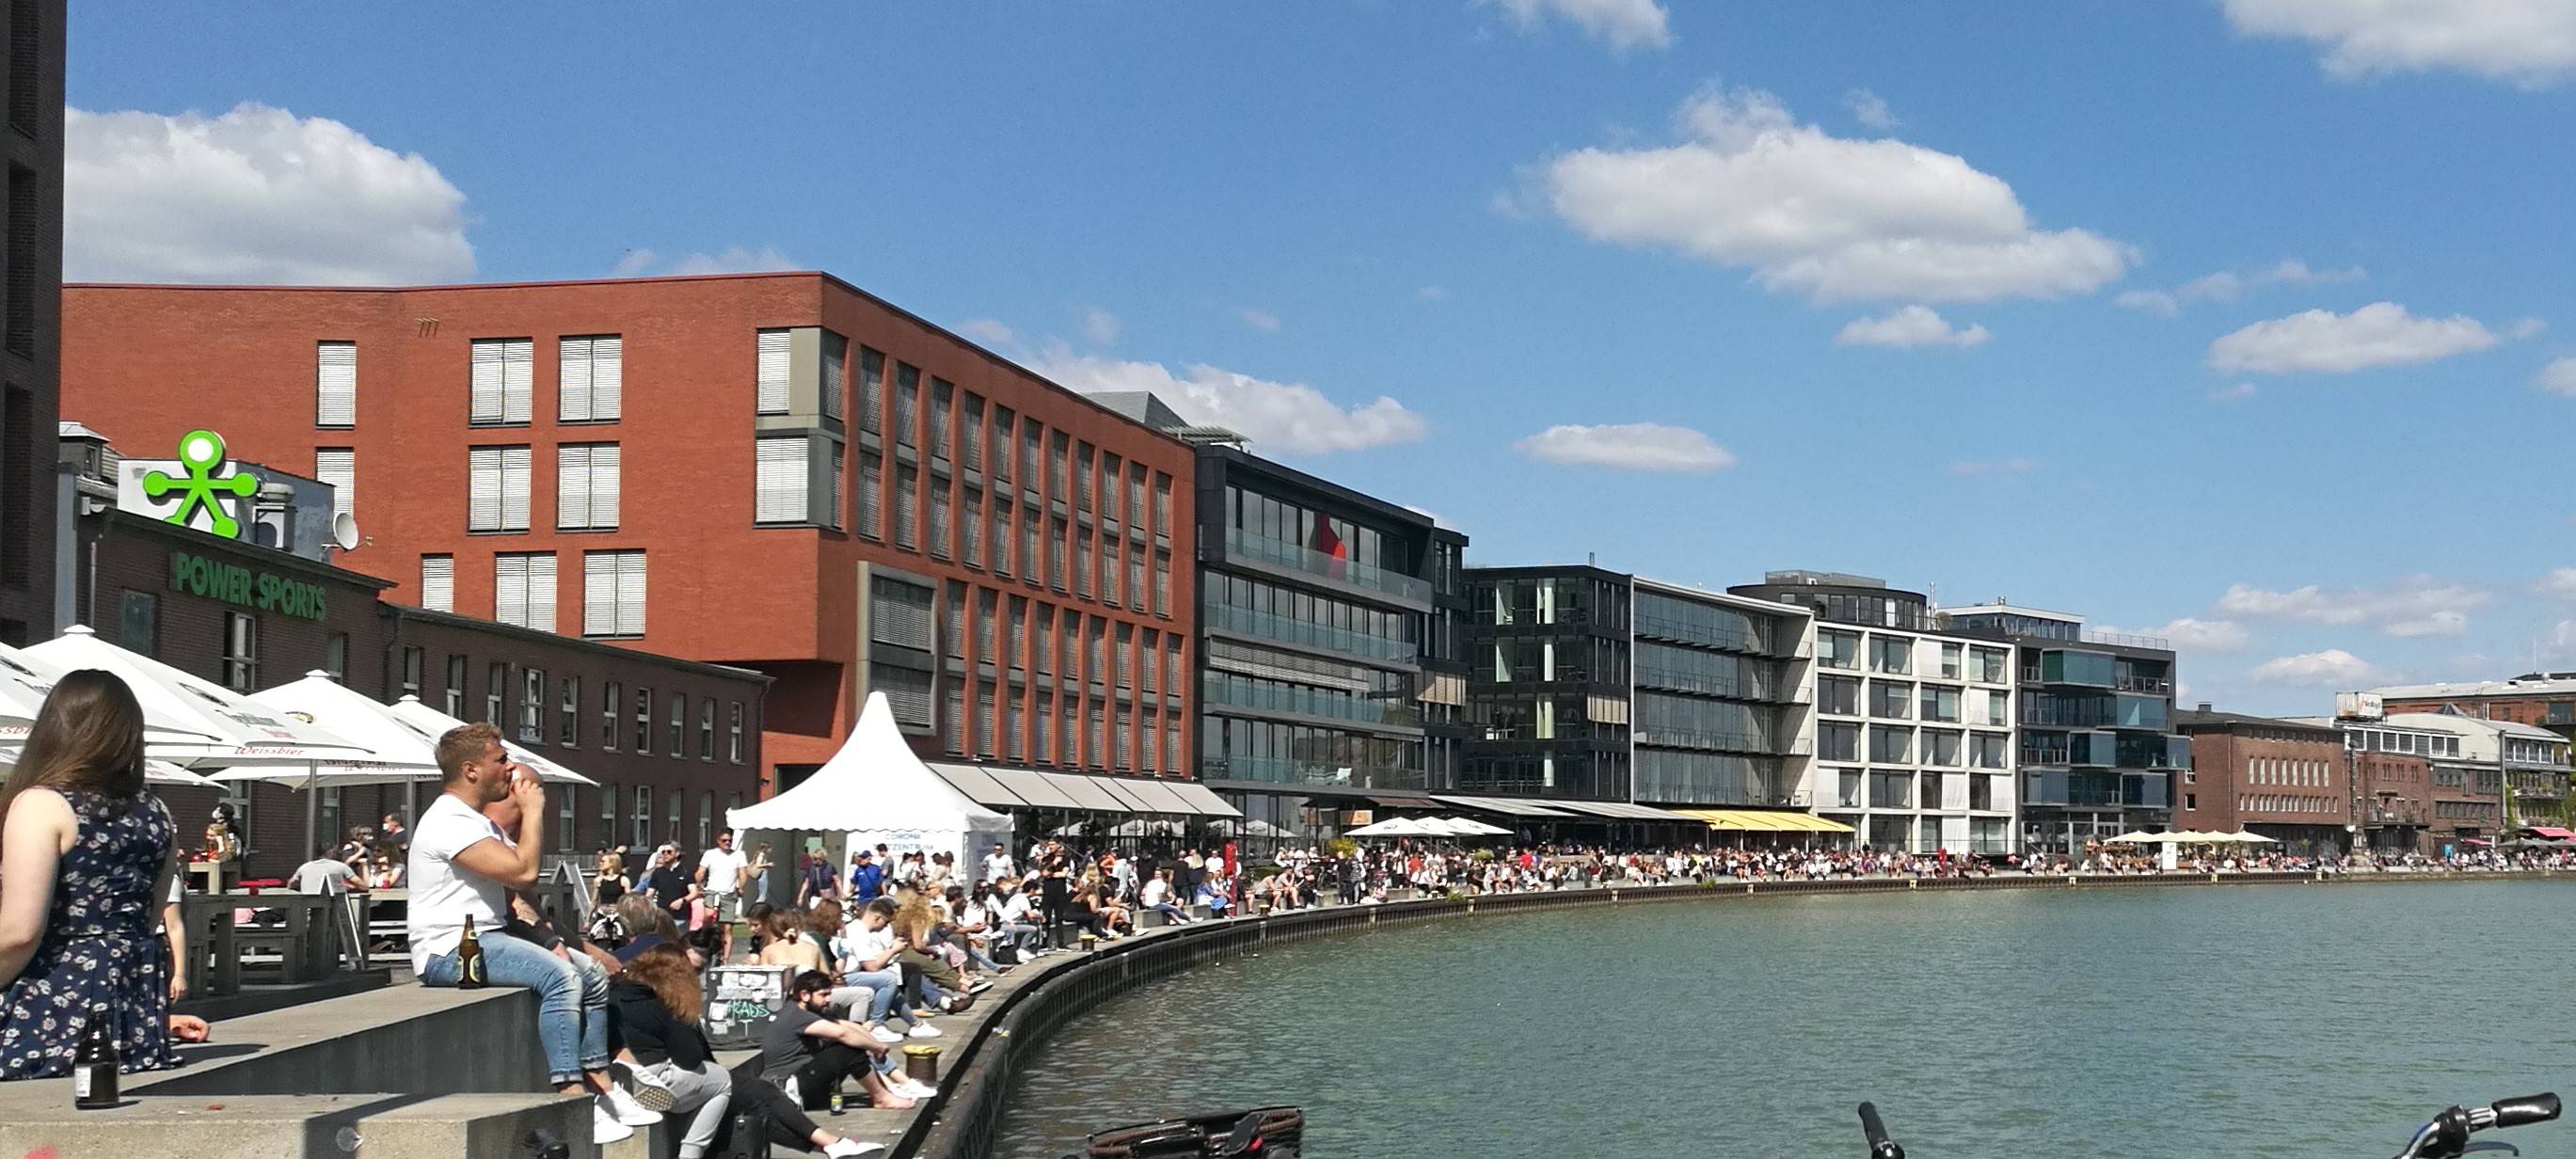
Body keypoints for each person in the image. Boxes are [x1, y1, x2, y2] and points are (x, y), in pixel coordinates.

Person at [407, 722, 654, 1142]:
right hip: (450, 951)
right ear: (470, 770)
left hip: (486, 937)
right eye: (500, 759)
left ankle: (602, 1081)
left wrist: (555, 941)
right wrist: (535, 809)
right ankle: (570, 1093)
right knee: (561, 978)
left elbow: (512, 898)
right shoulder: (449, 821)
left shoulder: (474, 821)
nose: (509, 767)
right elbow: (523, 873)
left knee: (591, 974)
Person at [0, 670, 183, 1081]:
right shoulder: (156, 812)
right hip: (135, 1011)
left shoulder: (42, 805)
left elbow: (19, 931)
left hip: (55, 1003)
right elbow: (150, 919)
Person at [606, 942, 733, 1159]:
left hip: (610, 1074)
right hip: (652, 1073)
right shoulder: (659, 1003)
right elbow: (690, 1058)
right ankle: (690, 1153)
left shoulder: (613, 993)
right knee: (722, 1080)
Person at [762, 969, 932, 1120]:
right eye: (824, 995)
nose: (829, 999)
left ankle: (890, 1088)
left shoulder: (806, 1011)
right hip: (789, 1088)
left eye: (830, 993)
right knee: (848, 1048)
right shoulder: (796, 1016)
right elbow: (842, 1034)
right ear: (805, 995)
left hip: (802, 1080)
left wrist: (874, 1044)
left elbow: (847, 1026)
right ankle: (882, 1098)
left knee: (855, 1043)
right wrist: (878, 1048)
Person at [695, 829, 748, 927]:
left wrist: (741, 888)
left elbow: (743, 873)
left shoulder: (739, 855)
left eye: (730, 841)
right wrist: (699, 885)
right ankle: (703, 931)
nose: (727, 843)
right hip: (712, 890)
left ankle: (726, 940)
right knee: (709, 914)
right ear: (718, 841)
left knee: (727, 927)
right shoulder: (710, 854)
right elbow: (700, 871)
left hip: (729, 893)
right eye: (724, 840)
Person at [643, 844, 695, 930]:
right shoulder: (658, 873)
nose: (665, 854)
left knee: (679, 942)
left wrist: (682, 901)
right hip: (662, 916)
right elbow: (650, 894)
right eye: (663, 852)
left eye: (669, 852)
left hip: (680, 917)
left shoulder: (685, 872)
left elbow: (694, 893)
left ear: (677, 854)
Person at [293, 844, 364, 895]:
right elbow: (363, 886)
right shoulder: (341, 866)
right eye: (335, 851)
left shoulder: (304, 867)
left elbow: (291, 885)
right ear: (330, 852)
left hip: (306, 909)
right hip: (332, 910)